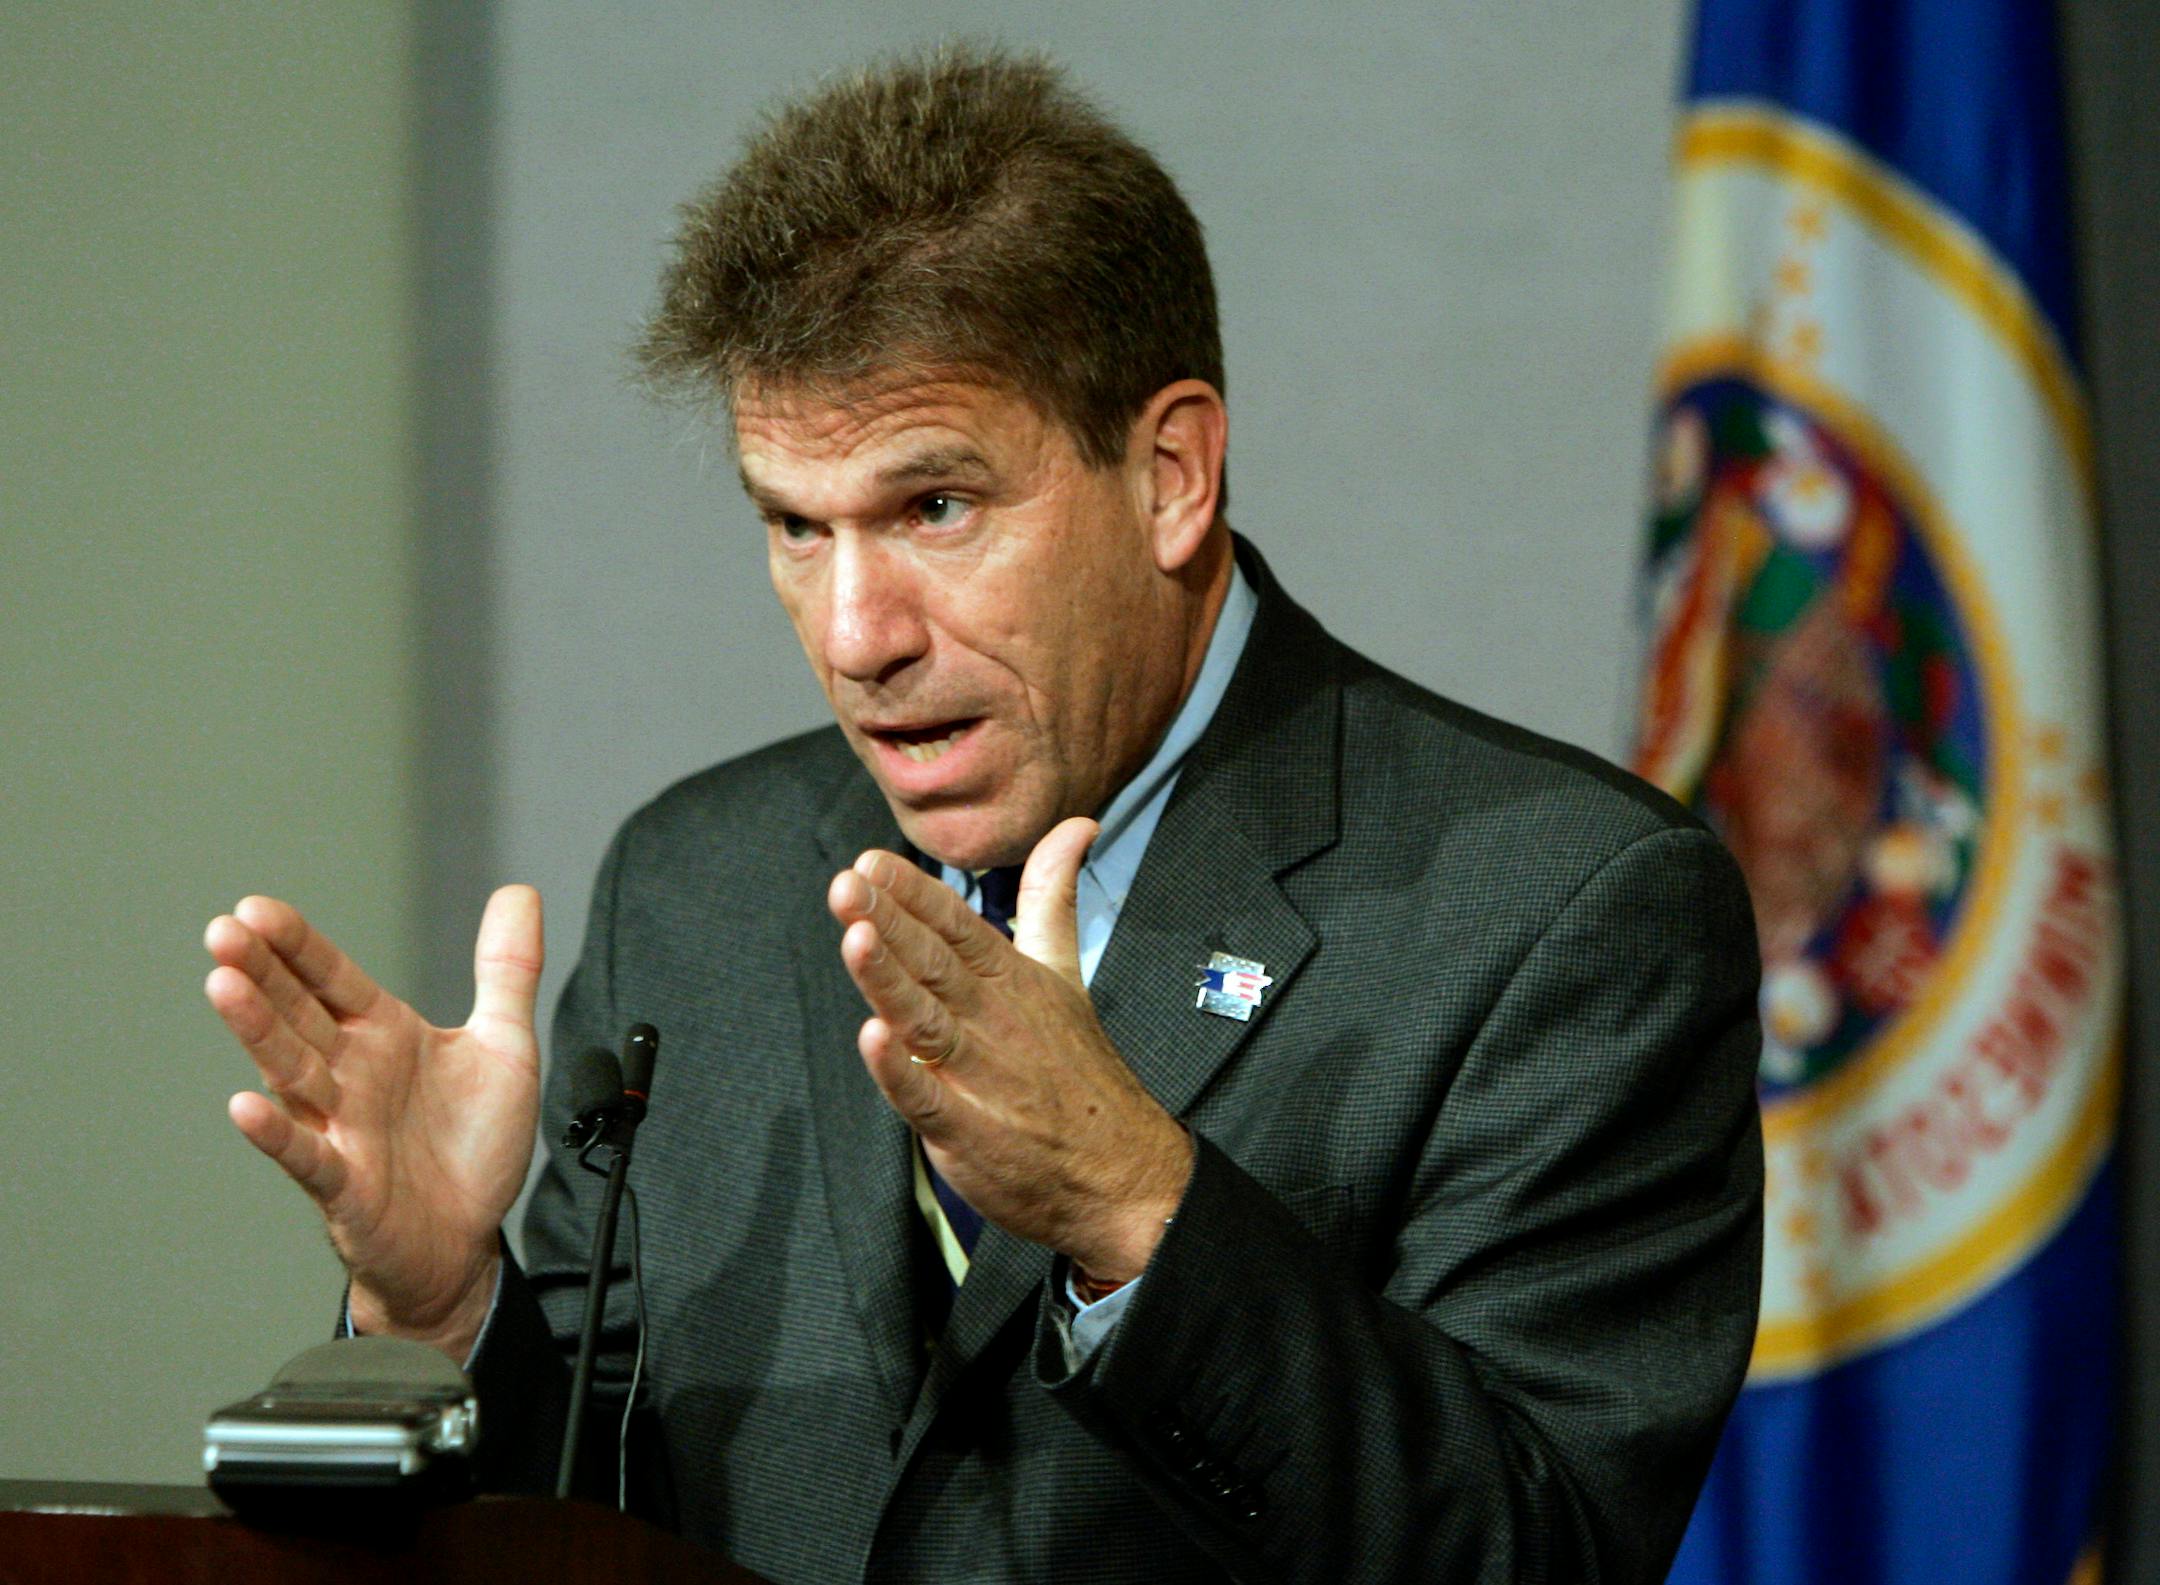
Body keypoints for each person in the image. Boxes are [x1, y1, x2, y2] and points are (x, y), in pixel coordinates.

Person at [202, 46, 1764, 1584]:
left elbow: (1535, 1550)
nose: (855, 633)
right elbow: (600, 1518)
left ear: (1171, 475)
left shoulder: (1559, 911)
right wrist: (444, 1310)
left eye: (934, 508)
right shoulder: (696, 883)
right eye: (795, 525)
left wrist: (1136, 1202)